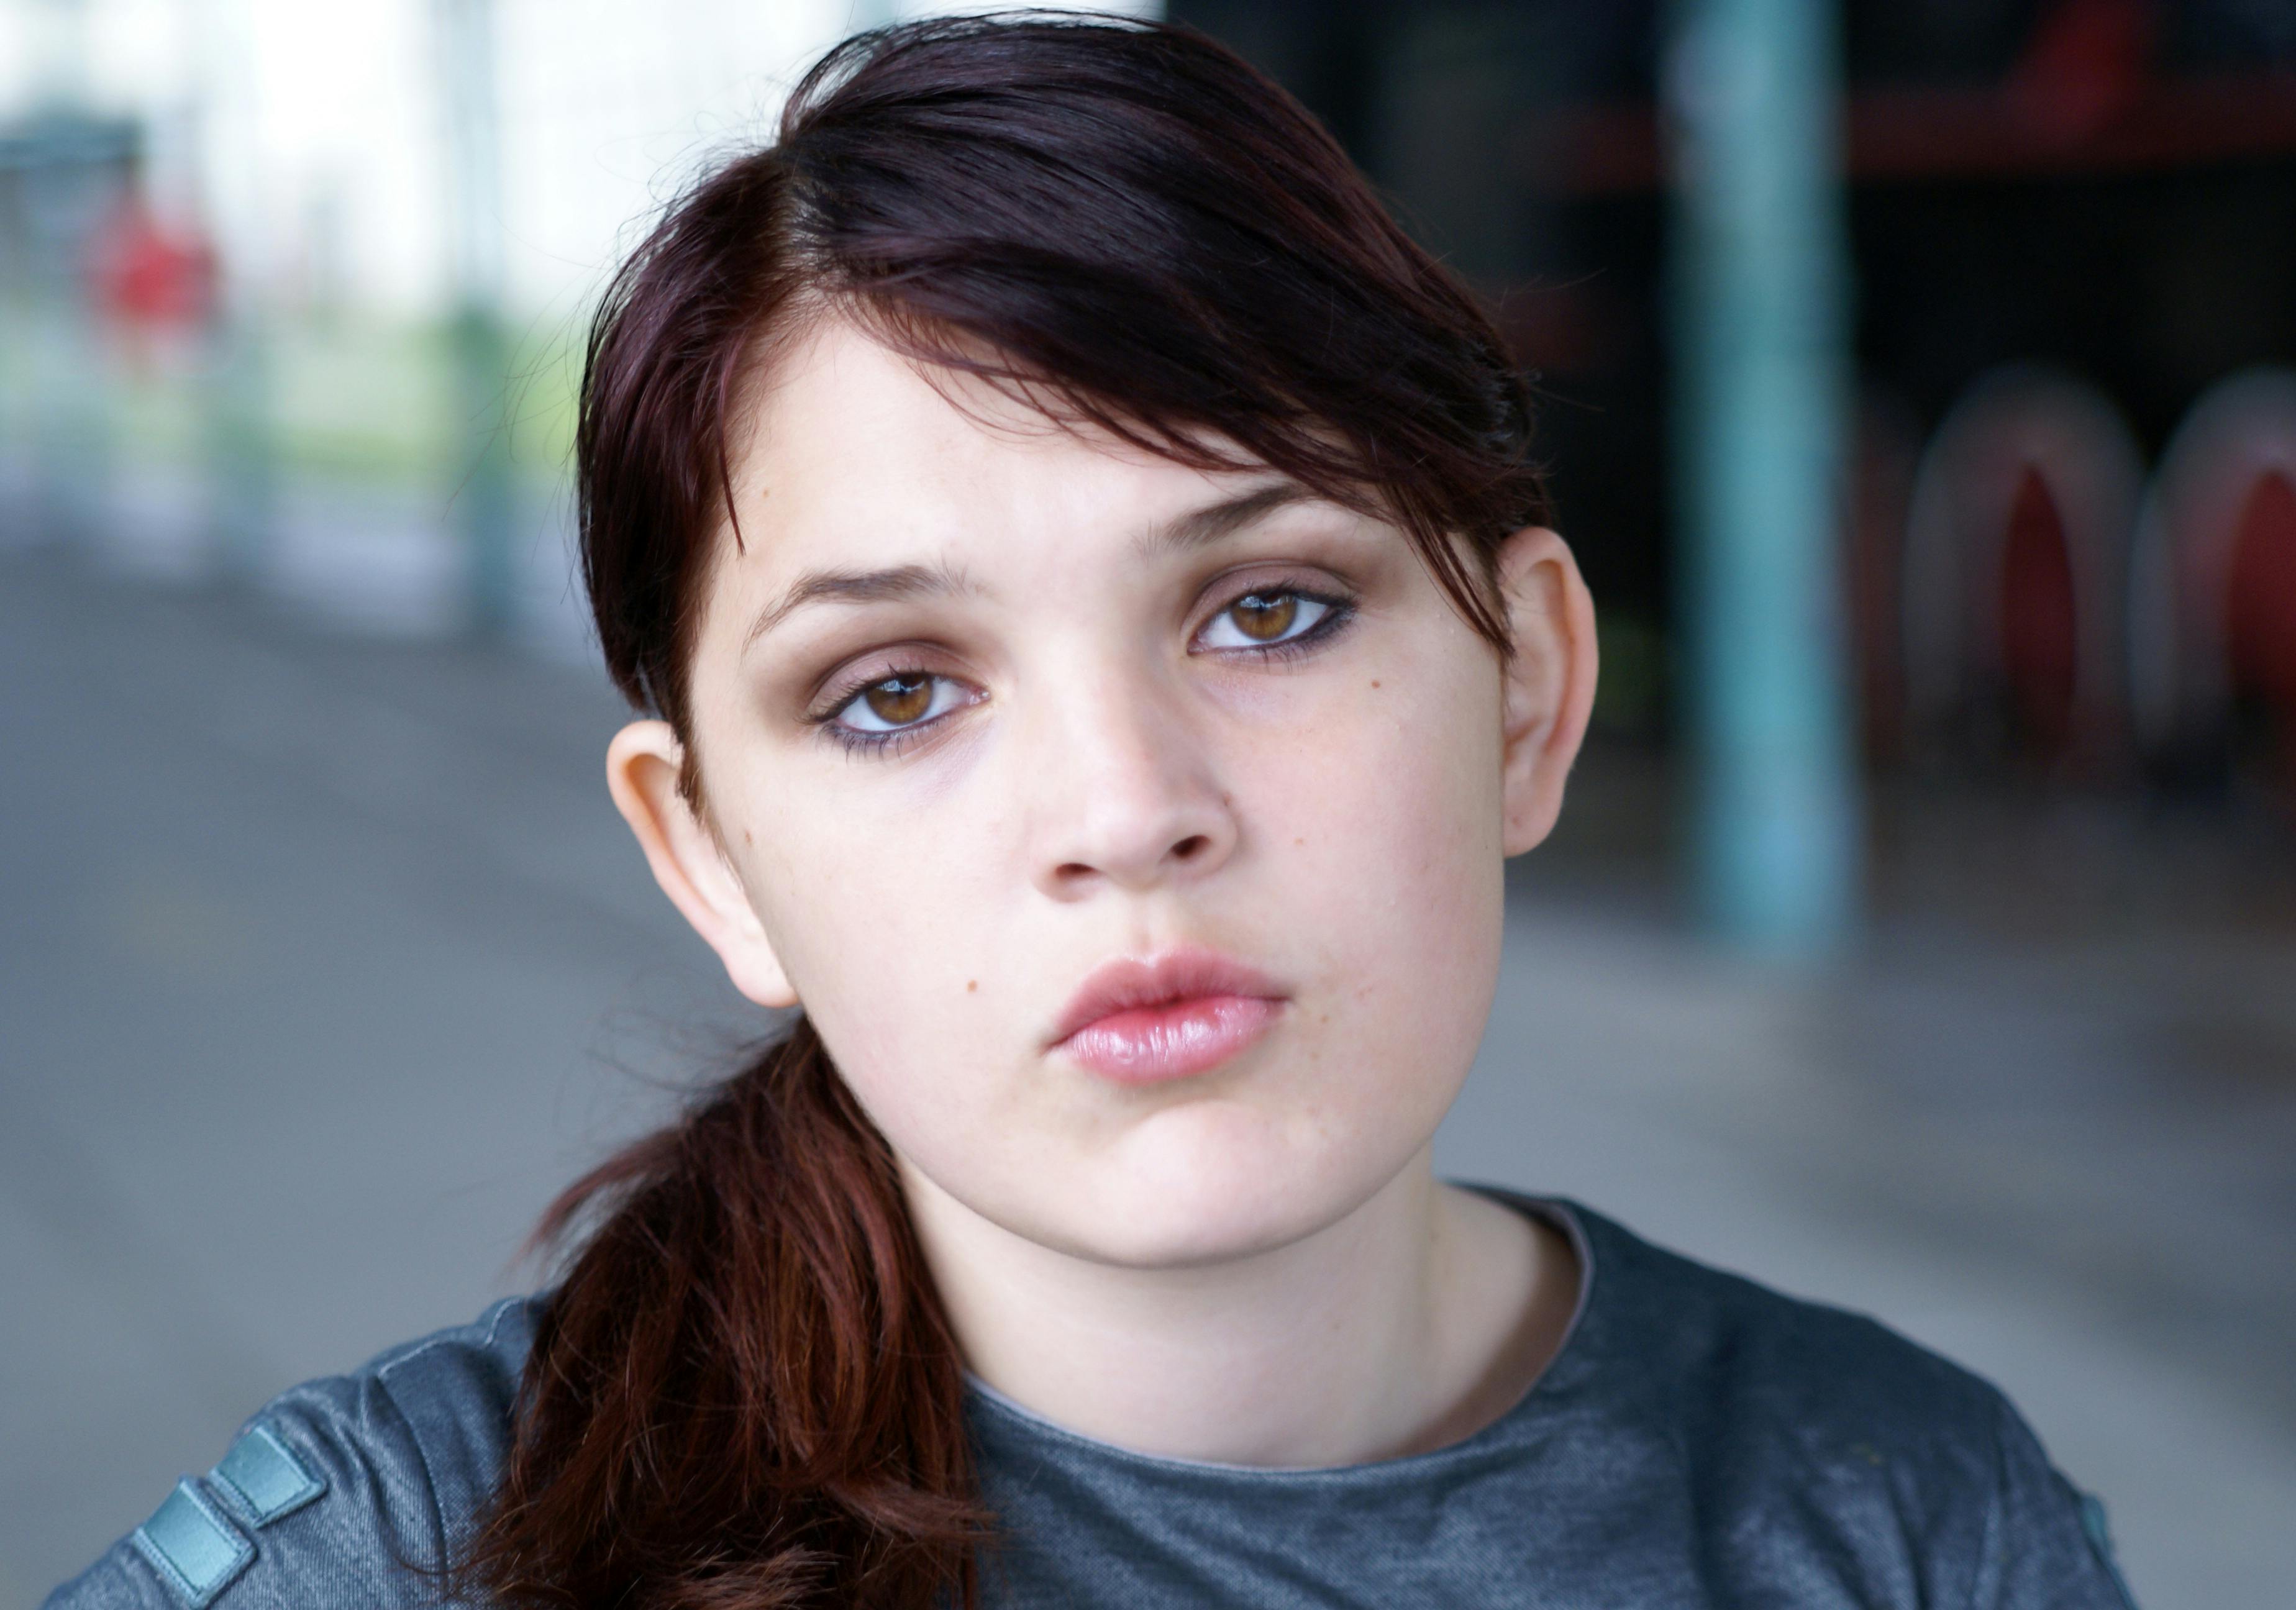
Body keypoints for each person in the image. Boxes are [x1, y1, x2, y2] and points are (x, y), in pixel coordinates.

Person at [47, 14, 2139, 1609]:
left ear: (1529, 689)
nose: (1126, 812)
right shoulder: (428, 1548)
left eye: (1269, 610)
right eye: (896, 695)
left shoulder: (1901, 1516)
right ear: (709, 856)